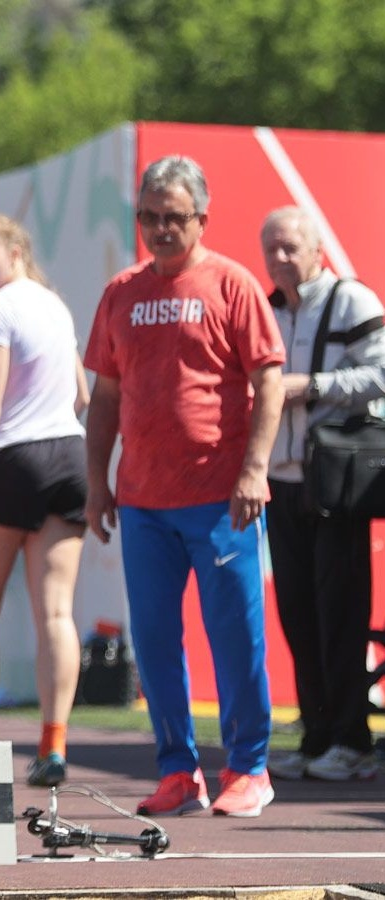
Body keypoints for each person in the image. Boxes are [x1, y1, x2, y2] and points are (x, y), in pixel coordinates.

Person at [83, 156, 285, 818]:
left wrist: (254, 470)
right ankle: (178, 772)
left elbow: (269, 384)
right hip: (142, 500)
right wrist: (96, 483)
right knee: (154, 641)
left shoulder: (233, 285)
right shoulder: (120, 292)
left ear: (202, 218)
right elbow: (105, 398)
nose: (160, 229)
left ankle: (249, 768)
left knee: (235, 636)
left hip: (221, 497)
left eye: (174, 218)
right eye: (149, 217)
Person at [0, 213, 90, 787]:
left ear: (15, 251)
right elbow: (81, 393)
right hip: (69, 456)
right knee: (55, 611)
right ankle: (53, 744)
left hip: (12, 459)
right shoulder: (54, 305)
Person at [260, 206, 385, 782]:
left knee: (340, 613)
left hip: (334, 485)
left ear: (316, 250)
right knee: (297, 614)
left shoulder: (352, 300)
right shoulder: (265, 309)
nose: (280, 259)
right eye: (271, 249)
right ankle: (316, 737)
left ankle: (353, 740)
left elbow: (382, 375)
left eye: (290, 248)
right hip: (279, 482)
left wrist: (310, 387)